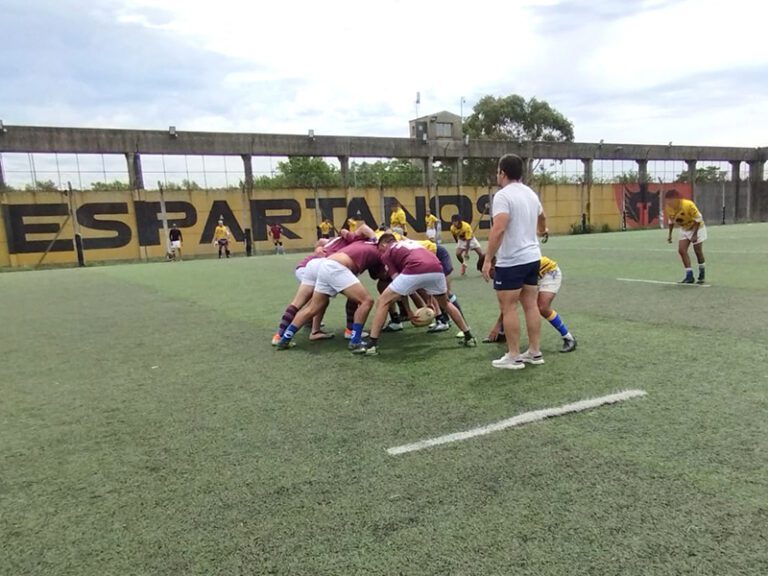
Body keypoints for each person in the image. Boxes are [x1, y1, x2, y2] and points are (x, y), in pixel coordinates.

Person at [353, 234, 476, 356]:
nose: (379, 252)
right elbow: (426, 273)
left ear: (384, 244)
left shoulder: (387, 254)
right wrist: (429, 302)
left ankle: (372, 345)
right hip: (437, 267)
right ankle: (469, 336)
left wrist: (409, 311)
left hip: (415, 267)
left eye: (379, 248)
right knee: (446, 303)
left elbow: (399, 287)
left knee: (383, 301)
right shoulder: (411, 243)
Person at [481, 153, 547, 370]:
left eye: (497, 171)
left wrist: (488, 259)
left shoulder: (503, 196)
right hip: (532, 257)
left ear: (503, 172)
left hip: (512, 260)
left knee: (508, 307)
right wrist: (542, 230)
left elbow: (499, 228)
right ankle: (535, 352)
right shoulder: (530, 193)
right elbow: (542, 217)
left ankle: (514, 355)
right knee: (530, 305)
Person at [479, 254, 577, 352]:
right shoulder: (504, 269)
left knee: (542, 307)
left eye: (485, 272)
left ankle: (568, 337)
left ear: (491, 268)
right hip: (533, 275)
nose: (486, 276)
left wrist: (497, 325)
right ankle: (502, 333)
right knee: (513, 302)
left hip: (549, 272)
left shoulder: (509, 269)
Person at [664, 189, 707, 284]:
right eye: (667, 201)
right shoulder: (669, 208)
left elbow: (698, 219)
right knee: (681, 250)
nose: (669, 203)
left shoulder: (688, 205)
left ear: (677, 199)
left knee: (698, 251)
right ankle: (689, 275)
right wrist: (670, 235)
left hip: (697, 228)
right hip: (684, 229)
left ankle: (702, 272)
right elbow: (671, 221)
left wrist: (695, 234)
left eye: (670, 200)